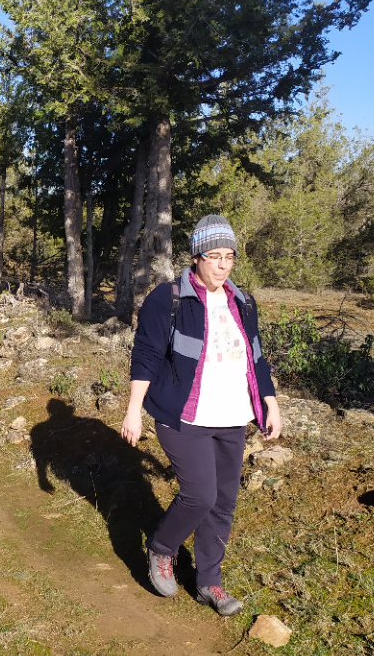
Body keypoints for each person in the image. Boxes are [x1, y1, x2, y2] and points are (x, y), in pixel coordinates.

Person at [120, 214, 282, 617]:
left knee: (224, 502)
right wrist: (133, 411)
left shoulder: (242, 301)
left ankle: (209, 581)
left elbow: (256, 357)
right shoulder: (169, 298)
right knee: (200, 495)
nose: (223, 265)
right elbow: (148, 356)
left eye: (230, 256)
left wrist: (271, 402)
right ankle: (161, 549)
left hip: (232, 416)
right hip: (183, 415)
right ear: (196, 256)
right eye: (215, 256)